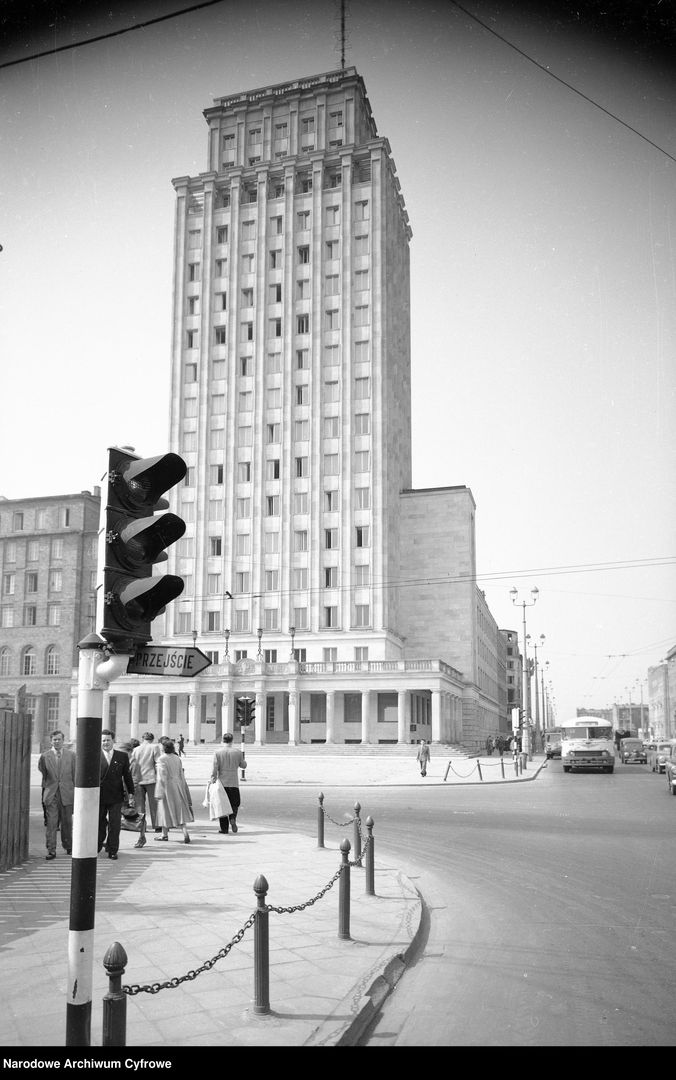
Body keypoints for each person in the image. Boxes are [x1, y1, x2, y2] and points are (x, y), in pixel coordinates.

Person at [37, 730, 76, 860]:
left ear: (63, 740)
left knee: (67, 822)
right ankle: (51, 850)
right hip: (51, 793)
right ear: (51, 741)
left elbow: (75, 774)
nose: (57, 742)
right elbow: (43, 771)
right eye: (54, 740)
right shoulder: (45, 756)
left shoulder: (71, 756)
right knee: (52, 823)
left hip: (66, 793)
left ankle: (68, 846)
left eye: (59, 739)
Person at [99, 729, 135, 860]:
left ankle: (113, 849)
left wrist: (131, 793)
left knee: (115, 824)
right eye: (103, 740)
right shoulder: (95, 756)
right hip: (100, 796)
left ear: (113, 741)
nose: (105, 743)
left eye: (108, 740)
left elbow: (127, 776)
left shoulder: (122, 756)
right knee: (100, 823)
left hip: (116, 796)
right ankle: (98, 843)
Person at [154, 739, 193, 843]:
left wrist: (159, 790)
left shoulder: (161, 759)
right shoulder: (177, 758)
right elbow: (181, 773)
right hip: (178, 785)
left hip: (167, 787)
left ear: (163, 747)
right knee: (179, 809)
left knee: (164, 809)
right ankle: (184, 832)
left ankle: (164, 834)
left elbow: (162, 776)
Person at [130, 732, 162, 847]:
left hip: (138, 779)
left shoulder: (136, 749)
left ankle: (142, 826)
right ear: (152, 739)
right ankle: (157, 825)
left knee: (140, 806)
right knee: (154, 804)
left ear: (142, 739)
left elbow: (132, 765)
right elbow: (158, 763)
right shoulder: (155, 747)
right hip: (151, 779)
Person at [211, 732, 246, 833]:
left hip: (222, 783)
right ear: (232, 741)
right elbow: (243, 765)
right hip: (234, 782)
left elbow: (214, 767)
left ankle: (224, 828)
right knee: (234, 803)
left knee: (222, 805)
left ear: (223, 740)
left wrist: (213, 778)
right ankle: (233, 818)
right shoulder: (238, 752)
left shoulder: (217, 752)